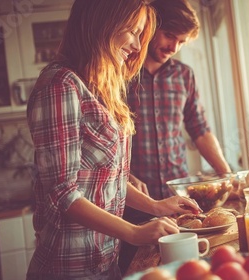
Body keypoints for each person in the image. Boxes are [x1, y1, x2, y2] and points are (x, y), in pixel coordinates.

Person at [26, 0, 200, 279]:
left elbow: (109, 178)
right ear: (101, 22)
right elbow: (63, 193)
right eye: (132, 31)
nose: (135, 45)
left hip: (106, 262)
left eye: (140, 35)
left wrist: (154, 205)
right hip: (69, 268)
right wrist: (134, 232)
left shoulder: (99, 87)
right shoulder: (60, 85)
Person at [119, 0, 231, 274]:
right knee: (138, 271)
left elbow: (200, 130)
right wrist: (124, 177)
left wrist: (226, 175)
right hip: (130, 204)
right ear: (151, 28)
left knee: (185, 271)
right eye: (170, 36)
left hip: (177, 203)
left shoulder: (184, 75)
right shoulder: (120, 73)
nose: (174, 47)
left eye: (181, 42)